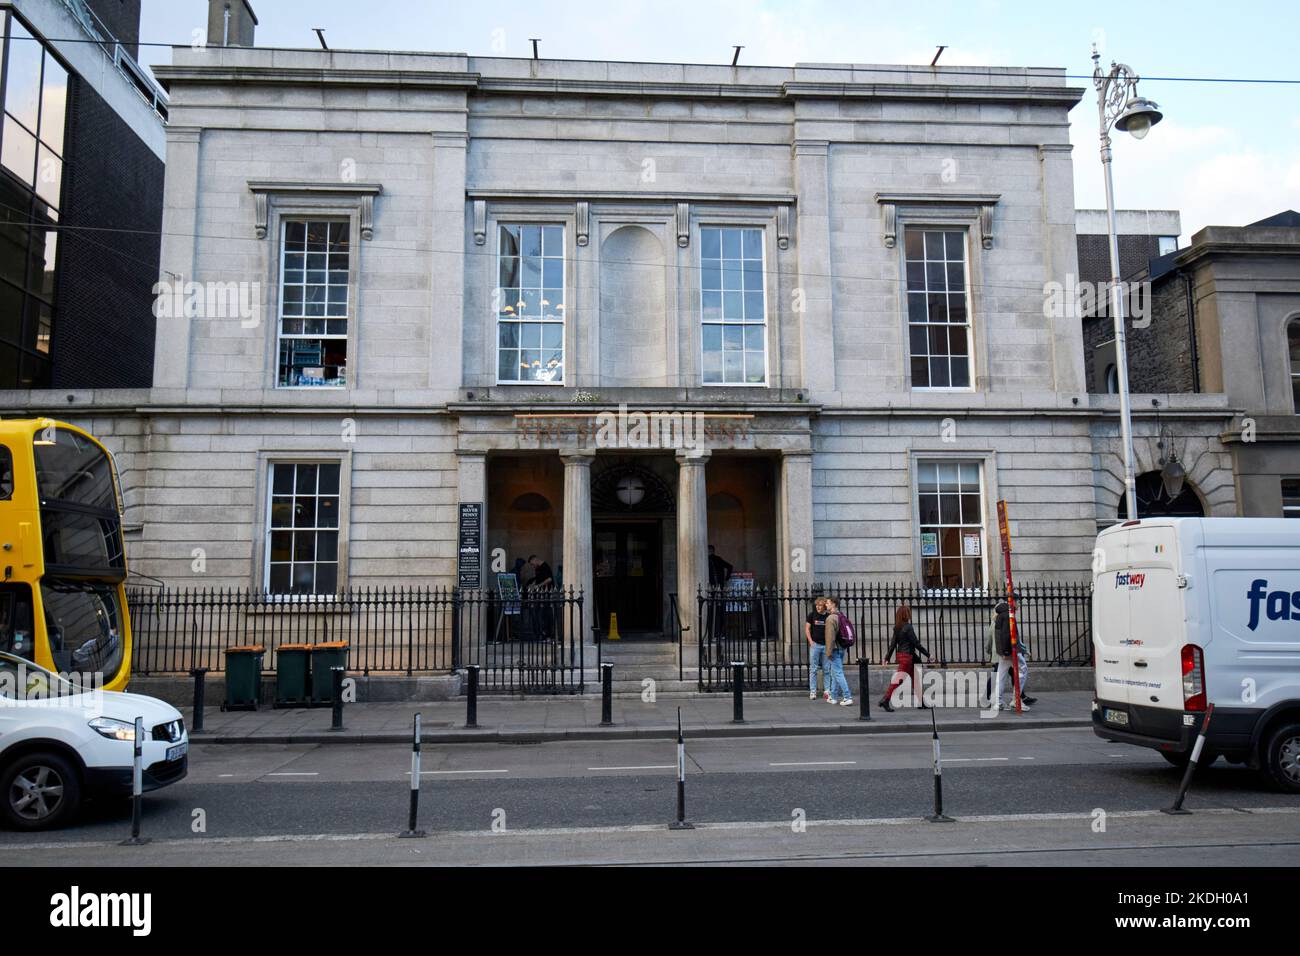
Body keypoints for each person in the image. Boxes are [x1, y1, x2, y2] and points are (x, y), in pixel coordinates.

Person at [879, 604, 929, 712]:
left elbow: (892, 645)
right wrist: (929, 655)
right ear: (907, 615)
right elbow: (916, 643)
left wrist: (887, 658)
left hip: (902, 656)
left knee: (915, 679)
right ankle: (885, 699)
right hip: (907, 658)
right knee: (898, 680)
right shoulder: (908, 627)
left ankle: (921, 702)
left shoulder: (897, 628)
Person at [822, 595, 854, 706]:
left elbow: (830, 637)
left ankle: (847, 696)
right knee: (834, 673)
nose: (826, 604)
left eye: (828, 603)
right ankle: (833, 696)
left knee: (838, 673)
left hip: (834, 649)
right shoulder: (840, 615)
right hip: (841, 648)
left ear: (834, 604)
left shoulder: (830, 618)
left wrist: (828, 652)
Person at [805, 596, 831, 700]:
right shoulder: (812, 615)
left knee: (827, 669)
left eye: (820, 605)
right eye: (817, 605)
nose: (818, 607)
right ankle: (813, 691)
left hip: (825, 645)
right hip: (815, 645)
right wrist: (811, 641)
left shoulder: (828, 617)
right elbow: (807, 629)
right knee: (813, 669)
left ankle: (827, 690)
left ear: (824, 606)